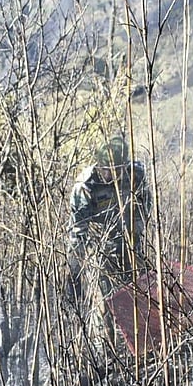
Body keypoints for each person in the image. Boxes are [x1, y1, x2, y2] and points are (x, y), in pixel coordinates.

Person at [66, 134, 152, 348]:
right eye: (105, 169)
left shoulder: (136, 174)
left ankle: (139, 346)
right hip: (100, 250)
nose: (108, 175)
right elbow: (78, 233)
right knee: (104, 302)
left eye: (114, 170)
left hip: (130, 245)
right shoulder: (85, 187)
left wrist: (136, 232)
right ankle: (106, 350)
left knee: (138, 295)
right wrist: (74, 272)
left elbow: (146, 204)